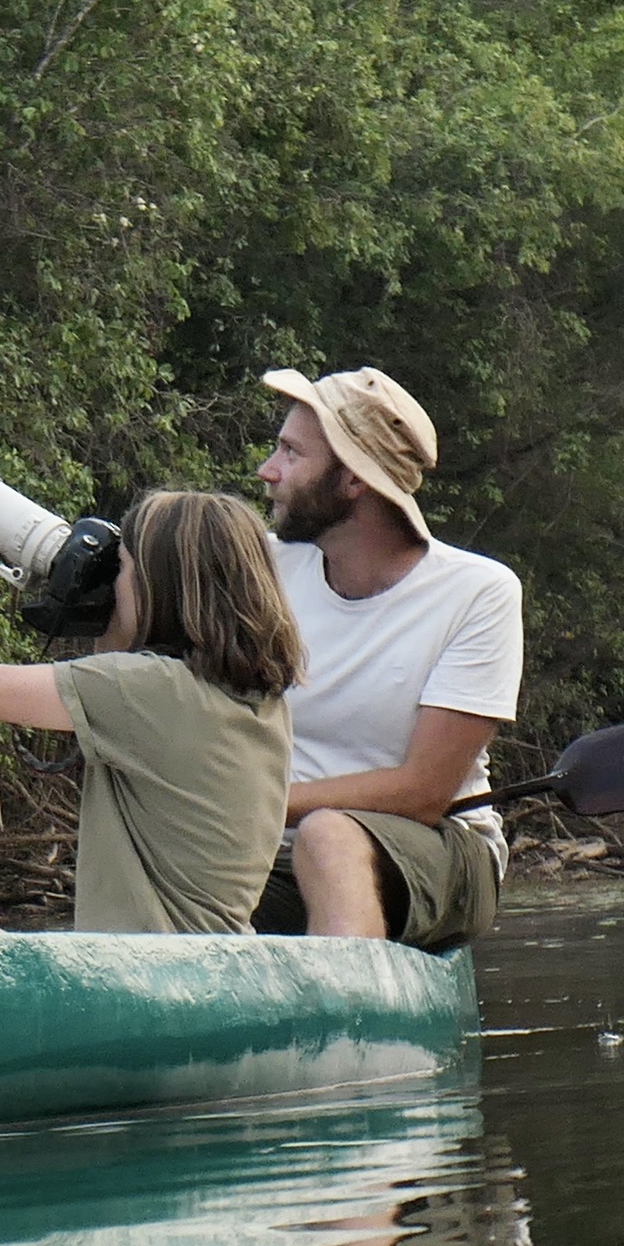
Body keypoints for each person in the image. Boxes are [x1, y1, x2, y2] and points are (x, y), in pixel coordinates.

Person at [0, 484, 303, 932]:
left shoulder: (152, 691)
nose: (112, 585)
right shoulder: (258, 700)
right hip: (206, 973)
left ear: (155, 586)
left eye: (120, 570)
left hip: (137, 982)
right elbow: (120, 663)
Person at [252, 363, 522, 949]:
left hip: (439, 845)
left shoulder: (478, 591)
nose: (267, 471)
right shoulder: (264, 567)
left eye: (292, 454)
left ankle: (353, 1027)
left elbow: (423, 791)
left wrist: (250, 804)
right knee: (169, 869)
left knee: (329, 837)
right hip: (274, 850)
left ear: (352, 481)